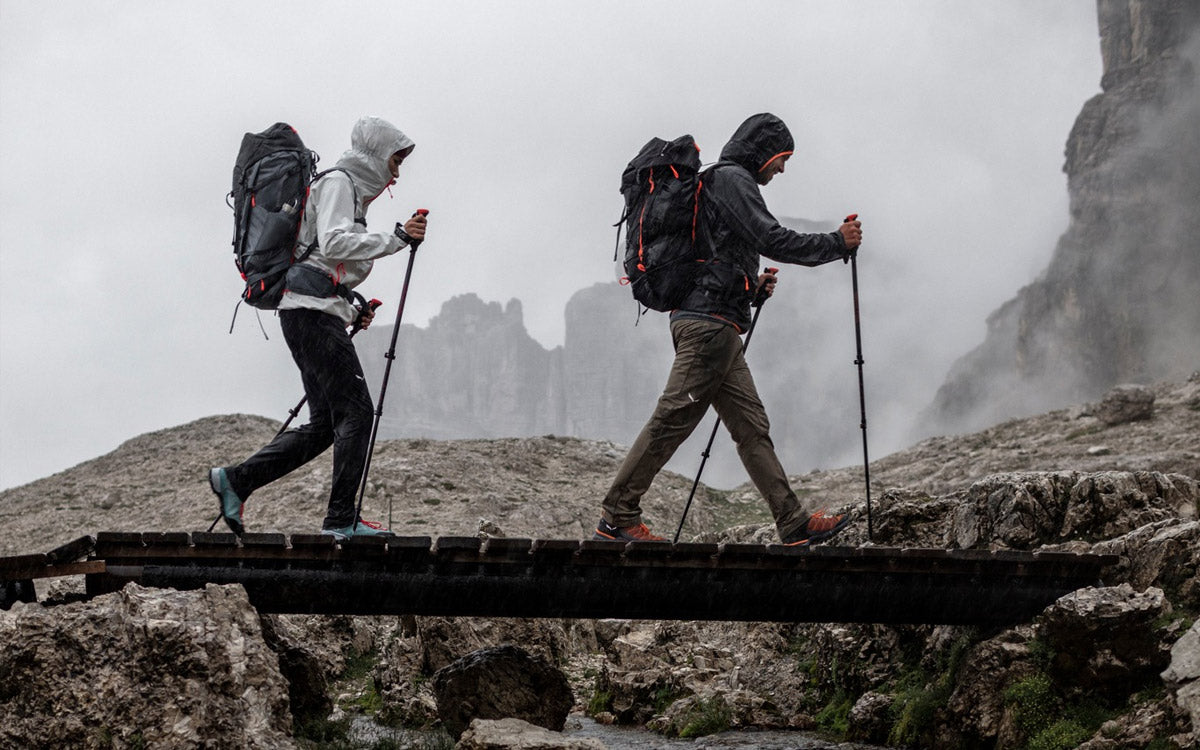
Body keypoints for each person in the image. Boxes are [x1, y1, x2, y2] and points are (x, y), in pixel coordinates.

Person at [594, 112, 863, 545]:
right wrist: (836, 242)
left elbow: (712, 258)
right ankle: (617, 515)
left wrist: (751, 289)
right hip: (707, 328)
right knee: (673, 419)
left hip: (715, 325)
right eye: (781, 157)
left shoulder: (719, 184)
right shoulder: (733, 179)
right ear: (763, 151)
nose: (782, 168)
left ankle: (791, 521)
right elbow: (771, 238)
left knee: (751, 426)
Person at [209, 116, 428, 540]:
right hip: (308, 313)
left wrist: (351, 307)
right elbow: (332, 243)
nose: (397, 171)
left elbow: (324, 264)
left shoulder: (349, 195)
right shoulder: (339, 184)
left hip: (311, 311)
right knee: (358, 412)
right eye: (395, 160)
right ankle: (341, 521)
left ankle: (236, 480)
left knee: (326, 423)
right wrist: (397, 238)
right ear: (376, 154)